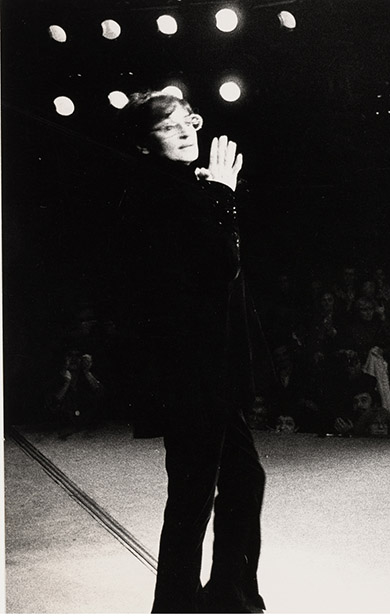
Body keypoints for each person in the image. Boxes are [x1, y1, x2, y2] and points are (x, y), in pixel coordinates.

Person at [115, 91, 265, 612]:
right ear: (144, 144)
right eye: (167, 126)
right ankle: (180, 604)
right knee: (193, 496)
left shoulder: (183, 189)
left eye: (188, 121)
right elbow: (222, 266)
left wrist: (215, 196)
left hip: (210, 371)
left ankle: (229, 592)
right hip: (191, 375)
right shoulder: (161, 194)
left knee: (241, 478)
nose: (185, 131)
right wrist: (222, 194)